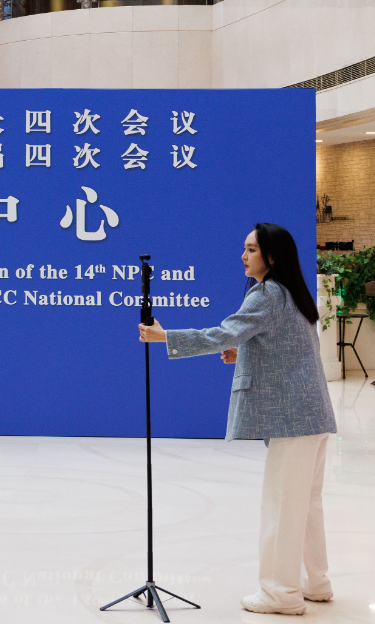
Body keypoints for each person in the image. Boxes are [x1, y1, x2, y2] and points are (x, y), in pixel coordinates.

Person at [138, 223, 337, 616]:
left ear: (272, 257)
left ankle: (280, 594)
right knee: (306, 504)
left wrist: (166, 337)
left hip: (293, 421)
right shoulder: (292, 292)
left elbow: (223, 333)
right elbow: (285, 347)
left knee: (282, 505)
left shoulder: (267, 293)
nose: (243, 256)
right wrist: (244, 353)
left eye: (251, 249)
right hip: (313, 415)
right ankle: (315, 583)